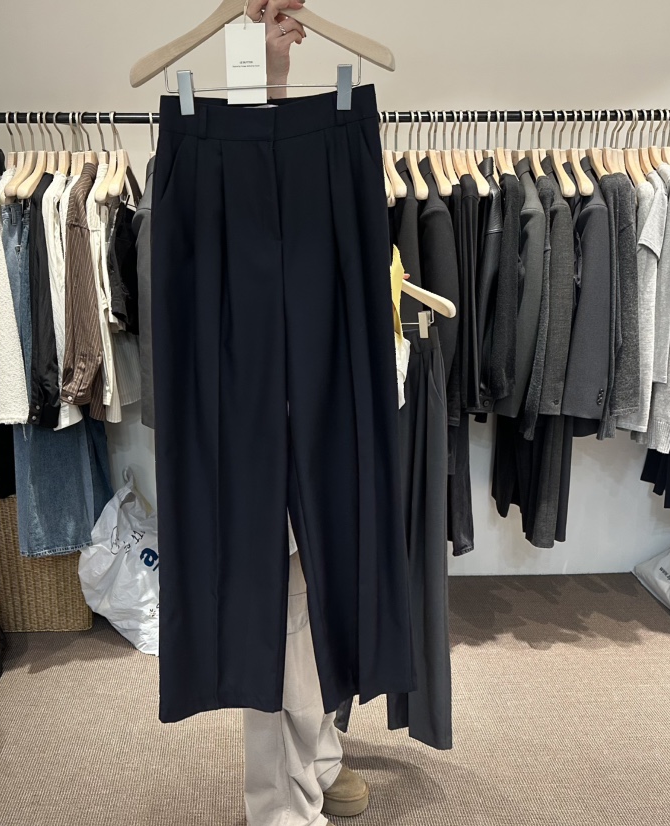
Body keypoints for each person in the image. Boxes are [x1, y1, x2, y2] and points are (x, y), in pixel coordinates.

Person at [240, 3, 371, 824]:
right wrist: (262, 73)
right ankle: (279, 805)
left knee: (318, 589)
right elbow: (249, 183)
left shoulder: (323, 155)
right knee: (278, 602)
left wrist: (276, 75)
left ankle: (316, 757)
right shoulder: (223, 160)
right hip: (262, 403)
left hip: (317, 394)